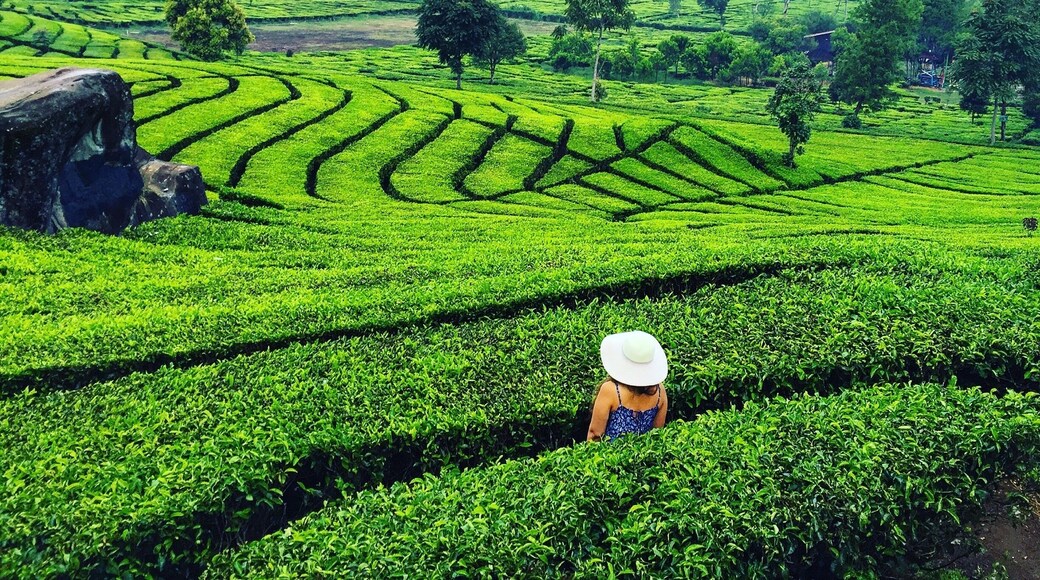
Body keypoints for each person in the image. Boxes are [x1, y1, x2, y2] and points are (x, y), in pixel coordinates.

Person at [587, 330, 669, 442]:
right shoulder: (659, 391)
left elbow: (595, 434)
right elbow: (657, 434)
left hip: (611, 452)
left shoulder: (610, 390)